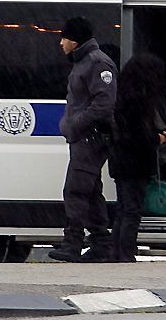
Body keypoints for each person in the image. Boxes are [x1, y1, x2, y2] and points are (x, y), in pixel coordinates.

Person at [49, 16, 117, 263]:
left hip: (91, 138)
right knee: (90, 192)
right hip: (84, 137)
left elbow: (104, 103)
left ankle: (72, 243)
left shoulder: (97, 63)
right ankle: (101, 243)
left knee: (75, 190)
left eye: (64, 37)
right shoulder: (83, 62)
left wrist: (76, 124)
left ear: (75, 39)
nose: (61, 43)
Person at [108, 54, 166, 262]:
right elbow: (137, 135)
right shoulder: (138, 100)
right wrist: (158, 137)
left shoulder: (121, 95)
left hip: (120, 159)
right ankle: (126, 253)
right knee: (132, 209)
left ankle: (117, 252)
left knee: (123, 208)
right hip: (134, 161)